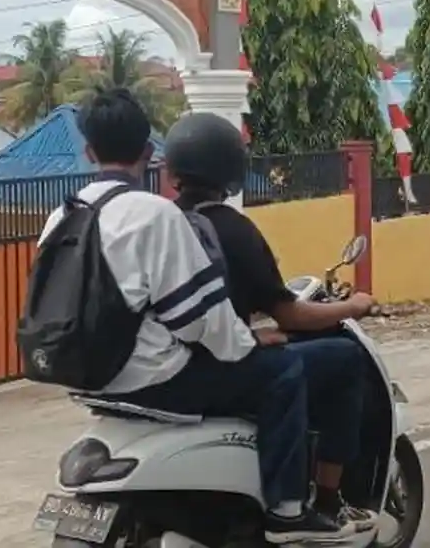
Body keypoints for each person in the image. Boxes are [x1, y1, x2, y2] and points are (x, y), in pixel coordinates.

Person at [39, 88, 348, 544]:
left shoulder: (63, 214)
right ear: (148, 152)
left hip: (88, 377)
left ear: (88, 150)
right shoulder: (153, 215)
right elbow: (197, 316)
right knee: (283, 373)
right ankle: (287, 510)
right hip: (156, 378)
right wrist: (247, 341)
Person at [165, 111, 381, 533]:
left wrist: (248, 332)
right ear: (230, 169)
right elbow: (291, 313)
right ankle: (317, 501)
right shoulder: (236, 229)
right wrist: (354, 306)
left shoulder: (161, 222)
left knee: (279, 349)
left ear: (173, 168)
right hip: (218, 367)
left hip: (171, 360)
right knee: (343, 360)